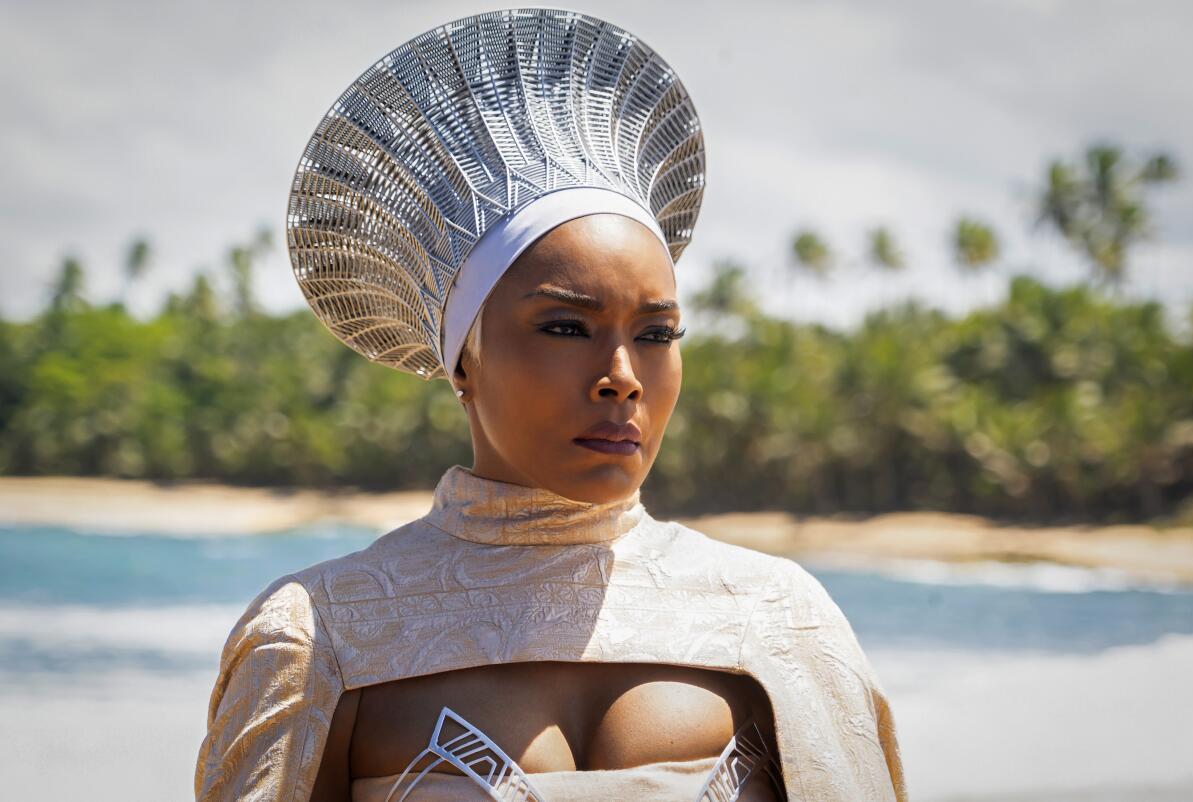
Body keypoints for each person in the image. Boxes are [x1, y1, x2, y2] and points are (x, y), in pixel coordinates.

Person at [194, 9, 907, 802]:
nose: (621, 376)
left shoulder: (778, 623)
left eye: (657, 332)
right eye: (566, 327)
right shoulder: (323, 636)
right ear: (463, 359)